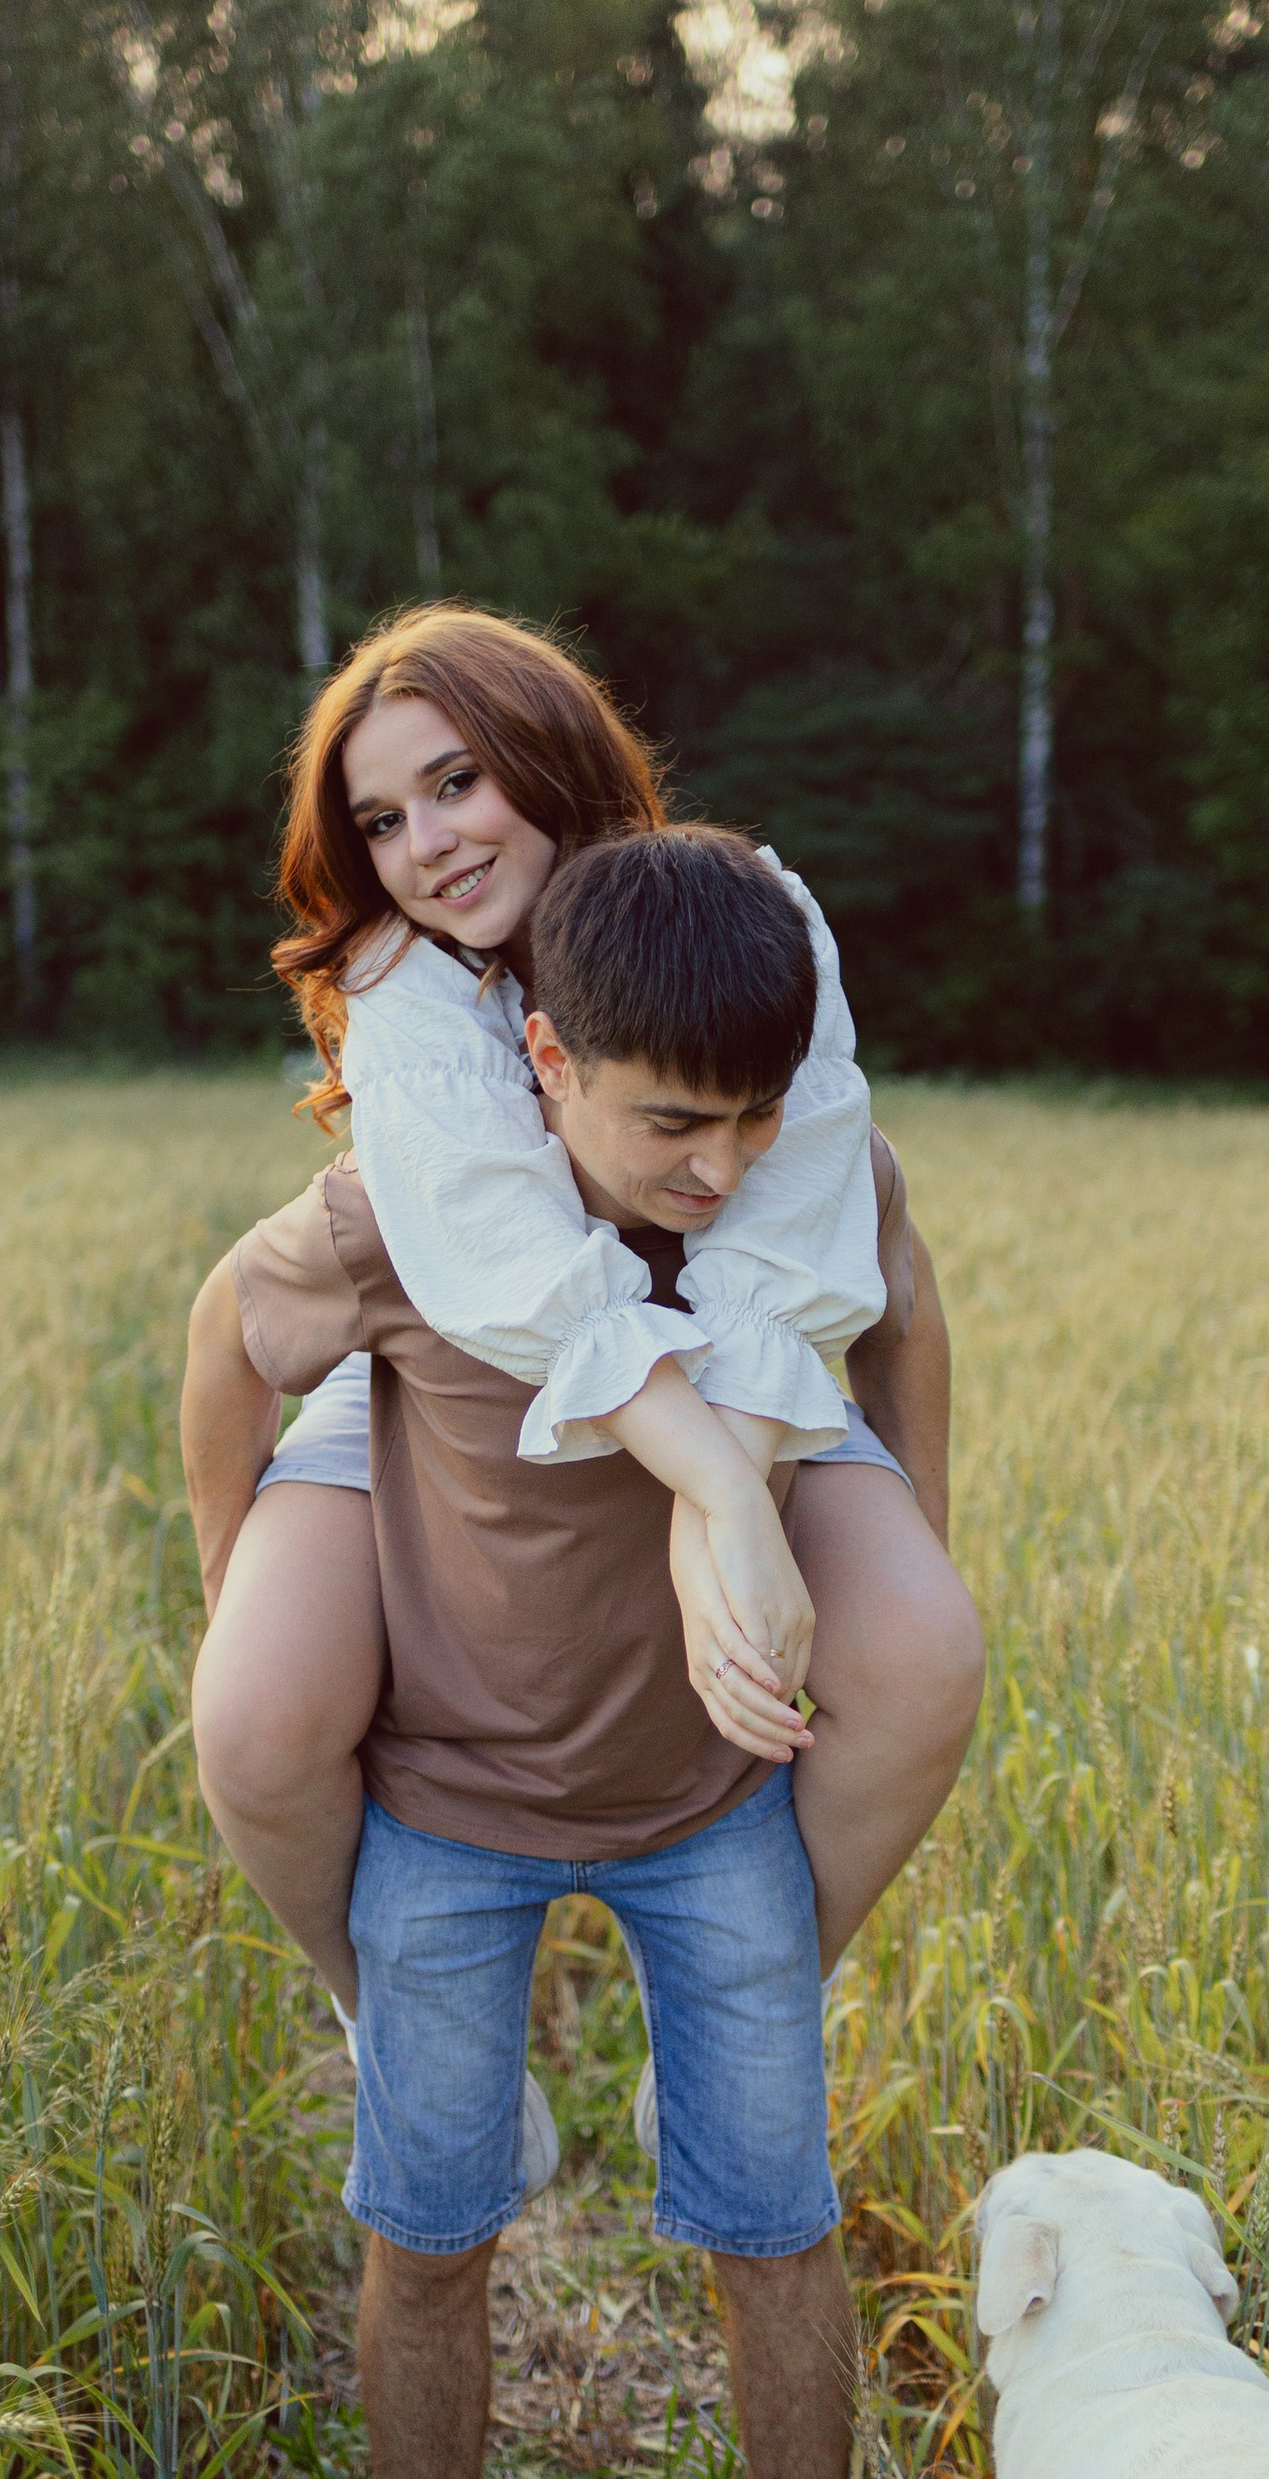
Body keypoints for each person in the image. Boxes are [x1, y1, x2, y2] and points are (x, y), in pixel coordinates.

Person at [179, 826, 977, 2479]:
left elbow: (903, 1312)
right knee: (425, 2239)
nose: (714, 1170)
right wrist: (238, 1577)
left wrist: (892, 1541)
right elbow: (224, 1338)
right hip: (442, 1809)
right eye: (667, 1125)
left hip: (710, 1810)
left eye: (750, 1125)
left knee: (769, 2222)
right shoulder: (409, 1220)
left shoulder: (791, 1204)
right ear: (540, 1060)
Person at [189, 608, 983, 2126]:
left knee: (923, 1648)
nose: (424, 842)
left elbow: (829, 1240)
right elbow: (510, 1284)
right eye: (380, 818)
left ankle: (756, 2004)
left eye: (457, 781)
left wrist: (841, 1521)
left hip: (750, 1348)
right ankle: (375, 2008)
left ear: (550, 757)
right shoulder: (410, 990)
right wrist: (231, 1586)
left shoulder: (748, 918)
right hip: (458, 1361)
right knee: (256, 1710)